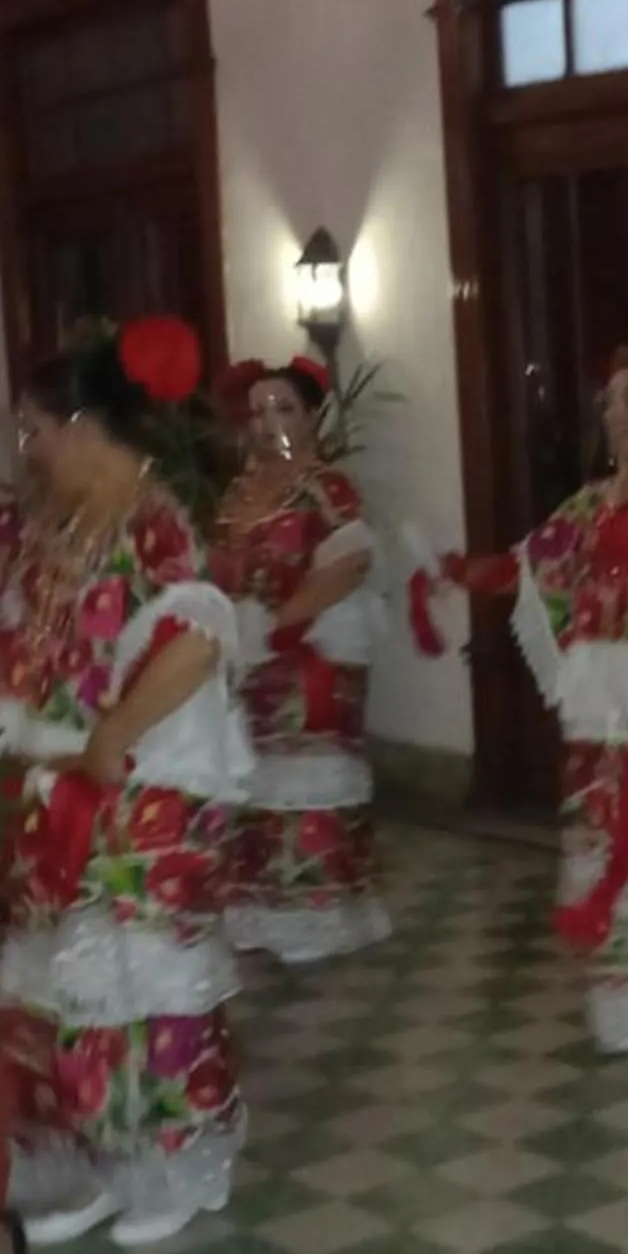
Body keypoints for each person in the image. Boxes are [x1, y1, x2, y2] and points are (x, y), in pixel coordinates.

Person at [0, 321, 254, 1249]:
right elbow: (13, 639)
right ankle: (89, 1160)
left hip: (142, 786)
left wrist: (112, 736)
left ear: (86, 425)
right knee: (59, 978)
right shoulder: (50, 529)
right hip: (53, 785)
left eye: (35, 430)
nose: (27, 451)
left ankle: (171, 1164)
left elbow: (200, 635)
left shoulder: (155, 522)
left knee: (138, 972)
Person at [427, 353, 628, 1062]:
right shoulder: (594, 499)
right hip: (597, 703)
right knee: (606, 845)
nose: (614, 415)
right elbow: (534, 561)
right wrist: (456, 574)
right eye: (609, 402)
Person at [210, 355, 390, 964]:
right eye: (258, 411)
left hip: (309, 651)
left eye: (283, 408)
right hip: (248, 652)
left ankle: (319, 920)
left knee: (306, 778)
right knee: (254, 783)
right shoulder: (239, 491)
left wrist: (279, 626)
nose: (269, 423)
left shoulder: (327, 486)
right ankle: (261, 915)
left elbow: (350, 561)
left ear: (312, 416)